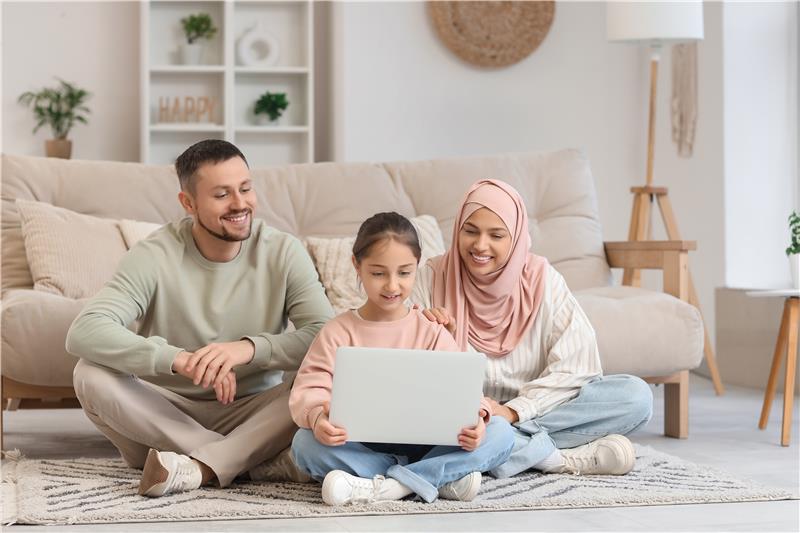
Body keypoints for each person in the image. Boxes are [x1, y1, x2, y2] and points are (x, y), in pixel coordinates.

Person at [66, 139, 334, 497]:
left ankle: (198, 467)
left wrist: (247, 350)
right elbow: (85, 330)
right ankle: (238, 460)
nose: (240, 204)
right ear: (188, 203)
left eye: (245, 188)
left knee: (326, 379)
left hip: (252, 410)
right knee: (89, 372)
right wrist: (179, 359)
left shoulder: (283, 251)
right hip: (161, 414)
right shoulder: (154, 254)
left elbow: (325, 336)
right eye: (222, 194)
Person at [412, 179, 653, 478]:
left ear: (515, 238)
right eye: (470, 231)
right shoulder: (430, 278)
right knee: (409, 426)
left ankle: (500, 445)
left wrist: (513, 412)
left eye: (496, 235)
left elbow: (579, 365)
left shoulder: (543, 280)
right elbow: (410, 372)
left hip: (535, 412)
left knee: (634, 397)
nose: (480, 245)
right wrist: (433, 336)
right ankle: (548, 456)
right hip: (461, 417)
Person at [288, 212, 515, 505]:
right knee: (304, 444)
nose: (392, 286)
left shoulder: (431, 329)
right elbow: (310, 387)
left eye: (404, 273)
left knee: (500, 433)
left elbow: (465, 390)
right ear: (357, 265)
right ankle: (434, 478)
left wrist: (479, 420)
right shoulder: (337, 331)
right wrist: (318, 418)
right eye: (378, 273)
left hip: (431, 443)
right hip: (361, 444)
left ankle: (387, 486)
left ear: (417, 267)